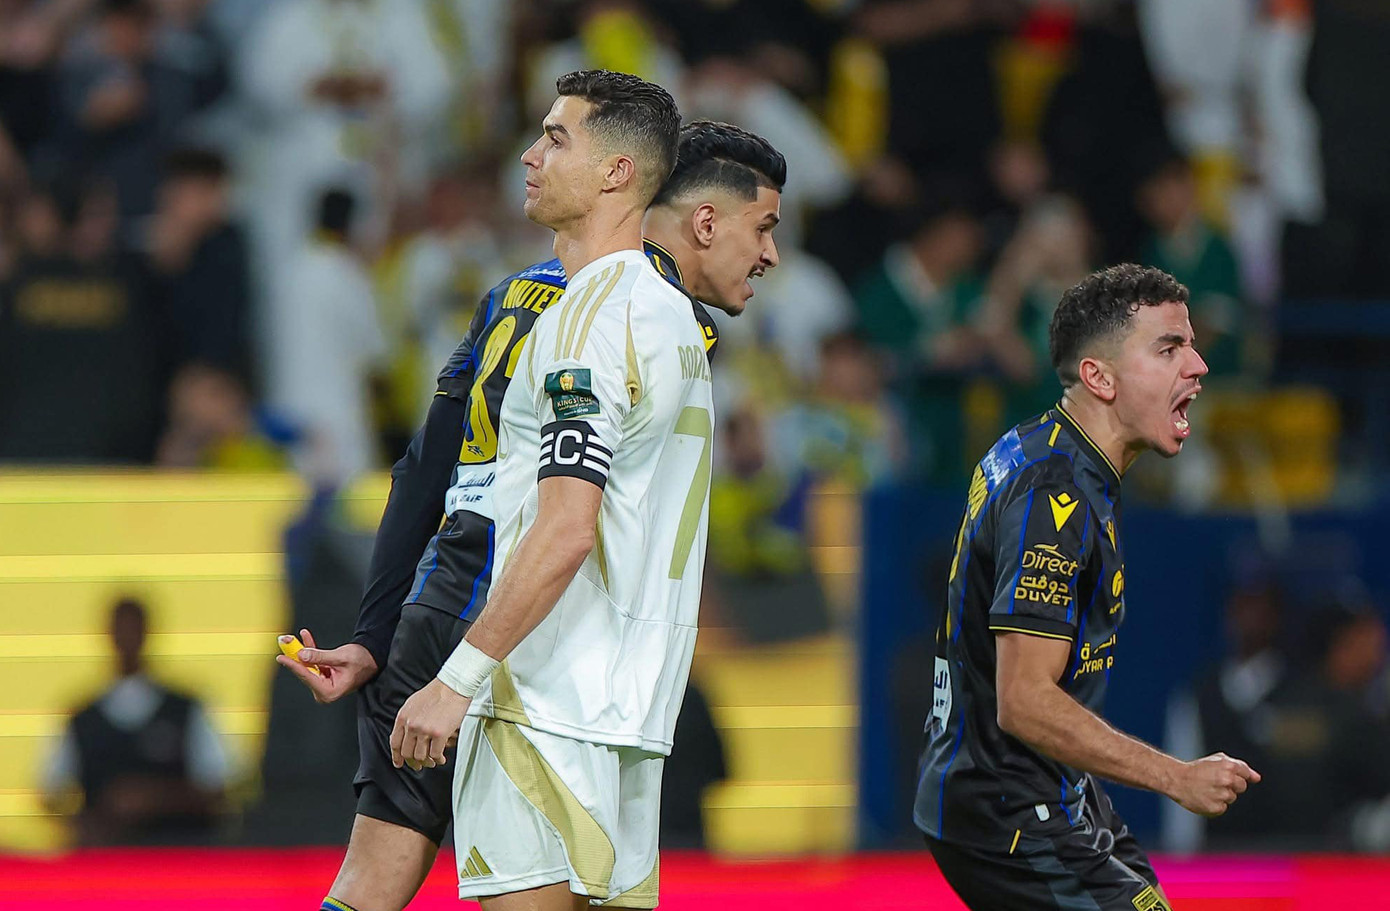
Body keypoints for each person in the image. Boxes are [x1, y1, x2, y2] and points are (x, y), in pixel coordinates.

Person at [277, 109, 785, 911]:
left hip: (438, 602)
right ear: (699, 218)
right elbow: (578, 515)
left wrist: (379, 633)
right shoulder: (653, 316)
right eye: (761, 228)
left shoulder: (510, 296)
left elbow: (423, 470)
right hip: (532, 633)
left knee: (368, 884)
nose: (768, 255)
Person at [386, 68, 705, 910]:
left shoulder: (583, 320)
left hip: (545, 699)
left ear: (616, 172)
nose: (530, 155)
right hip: (630, 709)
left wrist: (456, 680)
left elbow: (565, 526)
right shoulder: (670, 313)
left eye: (556, 138)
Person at [915, 264, 1259, 911]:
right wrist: (1176, 777)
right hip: (1010, 812)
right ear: (1099, 378)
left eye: (1190, 345)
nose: (1199, 366)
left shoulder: (1044, 448)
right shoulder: (1057, 492)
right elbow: (1024, 701)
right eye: (1169, 349)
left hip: (1041, 791)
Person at [42, 597, 228, 846]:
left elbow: (219, 788)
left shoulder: (186, 709)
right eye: (121, 629)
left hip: (177, 853)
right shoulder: (82, 718)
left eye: (133, 629)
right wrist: (83, 823)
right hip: (107, 858)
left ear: (147, 633)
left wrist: (154, 798)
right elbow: (50, 793)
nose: (127, 638)